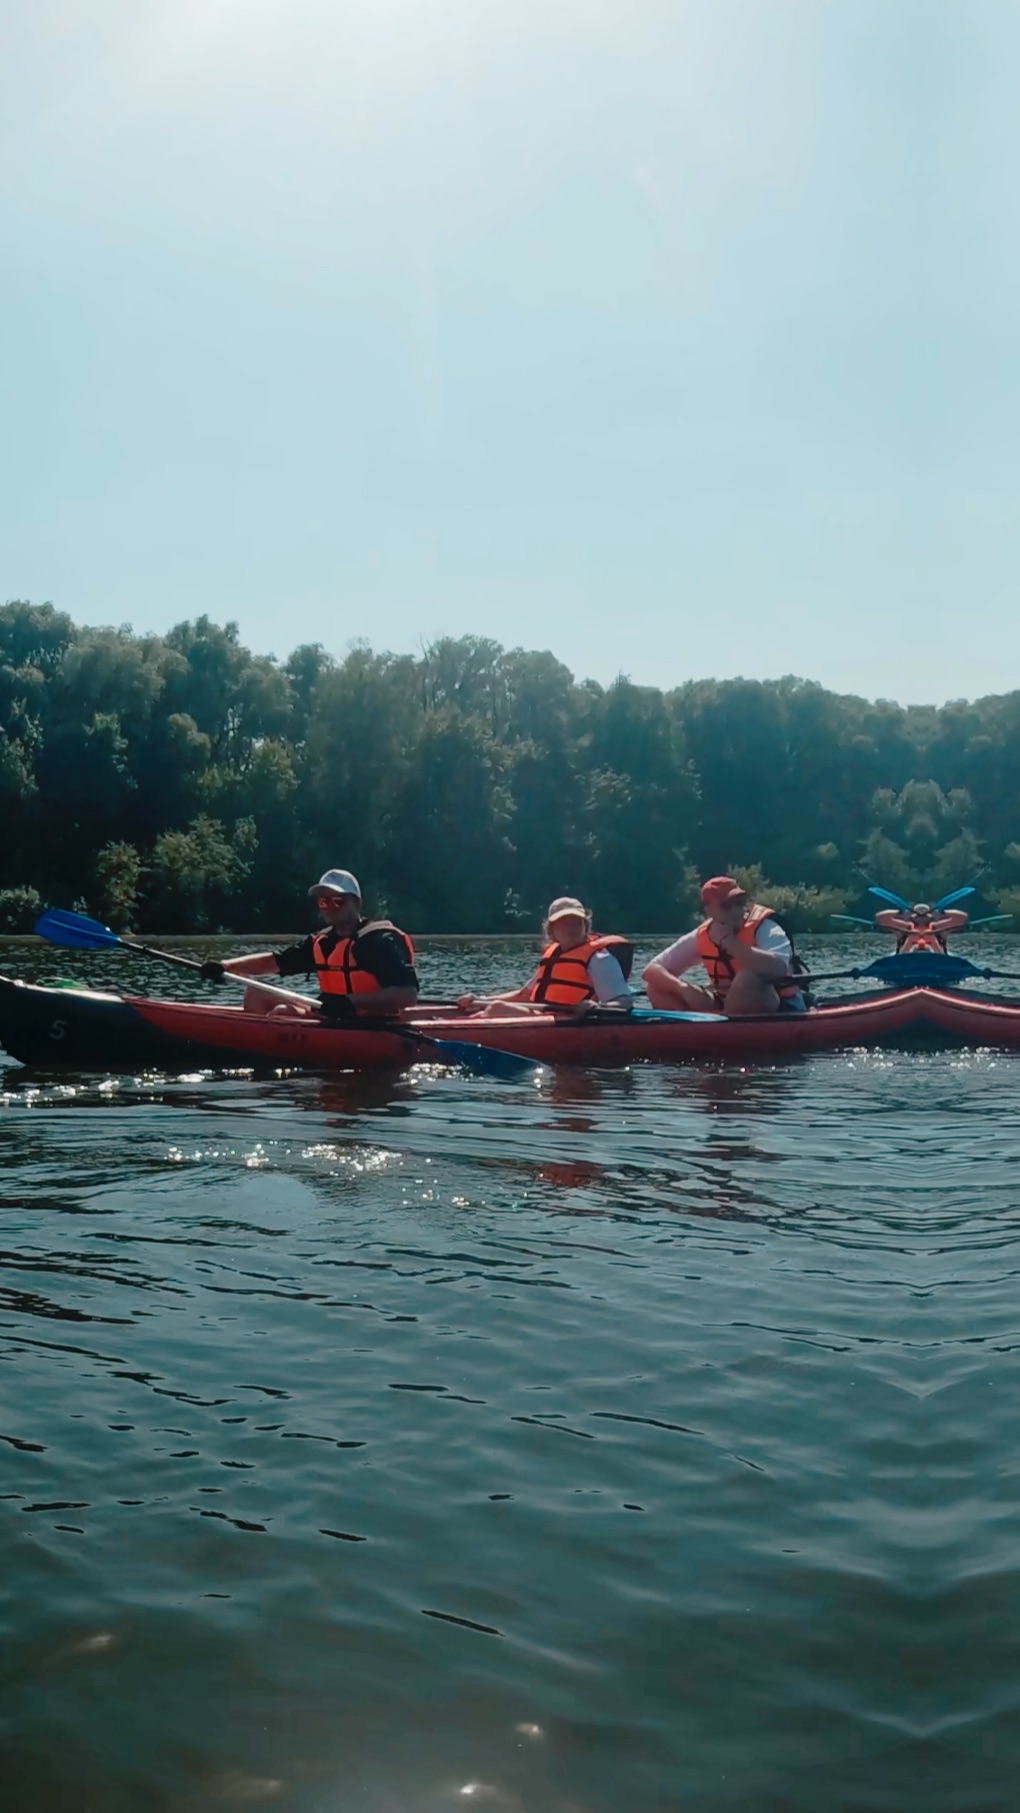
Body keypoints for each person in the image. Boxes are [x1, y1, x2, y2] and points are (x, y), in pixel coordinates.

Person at [201, 870, 419, 1018]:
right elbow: (276, 962)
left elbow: (407, 994)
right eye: (323, 902)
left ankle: (272, 1064)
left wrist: (350, 1002)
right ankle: (255, 1050)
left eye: (338, 901)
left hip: (372, 1023)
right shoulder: (322, 942)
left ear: (357, 903)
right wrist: (225, 967)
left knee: (282, 1013)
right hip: (329, 1017)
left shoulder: (379, 942)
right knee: (255, 993)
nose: (329, 907)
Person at [643, 876, 806, 1016]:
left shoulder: (765, 927)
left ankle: (722, 1030)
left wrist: (729, 941)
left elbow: (777, 968)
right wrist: (683, 989)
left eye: (740, 903)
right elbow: (651, 970)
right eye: (727, 905)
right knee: (657, 988)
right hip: (724, 1005)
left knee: (748, 977)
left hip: (782, 1006)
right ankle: (698, 1032)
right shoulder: (702, 935)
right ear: (709, 910)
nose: (736, 910)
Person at [458, 898, 633, 1017]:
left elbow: (624, 1002)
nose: (571, 928)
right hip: (544, 1017)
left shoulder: (600, 959)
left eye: (576, 922)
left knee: (497, 1009)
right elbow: (523, 996)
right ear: (552, 930)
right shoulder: (554, 955)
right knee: (493, 1006)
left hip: (572, 1024)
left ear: (585, 926)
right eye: (564, 923)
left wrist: (598, 1008)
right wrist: (480, 1000)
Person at [874, 902, 968, 954]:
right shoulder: (905, 927)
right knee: (911, 938)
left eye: (924, 917)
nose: (921, 920)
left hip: (938, 959)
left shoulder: (938, 927)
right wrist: (900, 911)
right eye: (918, 917)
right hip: (905, 959)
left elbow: (961, 917)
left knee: (931, 938)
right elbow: (881, 917)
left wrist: (943, 911)